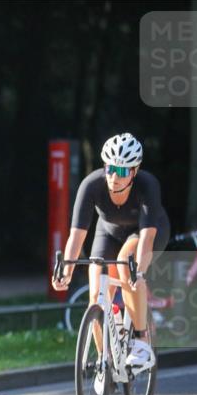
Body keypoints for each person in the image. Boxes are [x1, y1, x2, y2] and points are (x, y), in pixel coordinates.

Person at [52, 132, 170, 370]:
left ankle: (141, 341)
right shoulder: (91, 185)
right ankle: (104, 361)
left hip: (144, 233)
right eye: (110, 169)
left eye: (123, 171)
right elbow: (76, 236)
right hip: (108, 233)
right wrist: (66, 269)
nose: (115, 177)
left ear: (134, 172)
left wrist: (140, 272)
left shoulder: (148, 185)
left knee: (126, 266)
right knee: (96, 297)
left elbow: (147, 239)